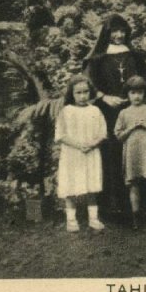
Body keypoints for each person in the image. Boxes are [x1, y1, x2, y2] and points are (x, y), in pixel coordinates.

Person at [83, 13, 146, 219]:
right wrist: (104, 97)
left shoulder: (133, 56)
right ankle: (113, 206)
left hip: (132, 110)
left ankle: (138, 206)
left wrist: (139, 97)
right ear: (107, 33)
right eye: (114, 31)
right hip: (109, 113)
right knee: (112, 154)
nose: (119, 35)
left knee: (135, 151)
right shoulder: (97, 58)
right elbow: (86, 83)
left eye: (122, 31)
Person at [55, 75, 107, 232]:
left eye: (86, 92)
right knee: (71, 186)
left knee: (91, 186)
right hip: (72, 154)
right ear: (72, 94)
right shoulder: (66, 111)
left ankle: (93, 218)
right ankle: (71, 220)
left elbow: (102, 133)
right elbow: (61, 135)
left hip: (90, 153)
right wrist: (78, 145)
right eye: (78, 92)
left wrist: (91, 144)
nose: (83, 96)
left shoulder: (95, 110)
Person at [114, 76, 146, 231]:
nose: (136, 96)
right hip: (132, 154)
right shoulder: (124, 113)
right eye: (132, 93)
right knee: (133, 185)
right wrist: (131, 128)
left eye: (140, 92)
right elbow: (118, 135)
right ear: (127, 94)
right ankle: (136, 219)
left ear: (145, 94)